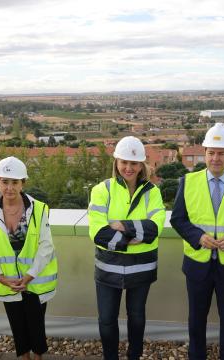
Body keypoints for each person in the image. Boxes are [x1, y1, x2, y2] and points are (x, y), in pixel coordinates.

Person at [170, 123, 224, 360]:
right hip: (197, 265)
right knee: (196, 320)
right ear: (205, 154)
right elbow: (178, 219)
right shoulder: (187, 183)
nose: (215, 158)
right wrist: (198, 237)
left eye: (221, 153)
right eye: (211, 152)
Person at [88, 136, 166, 360]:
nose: (128, 168)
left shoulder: (153, 192)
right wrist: (131, 238)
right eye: (124, 162)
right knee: (106, 319)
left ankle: (134, 356)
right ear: (116, 162)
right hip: (108, 268)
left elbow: (155, 228)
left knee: (137, 317)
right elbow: (97, 232)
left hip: (141, 268)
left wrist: (122, 226)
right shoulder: (102, 190)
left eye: (134, 163)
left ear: (141, 165)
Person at [0, 156, 58, 360]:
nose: (9, 188)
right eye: (4, 182)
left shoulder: (39, 209)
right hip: (8, 281)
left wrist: (30, 276)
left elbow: (46, 246)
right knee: (17, 325)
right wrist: (0, 276)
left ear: (23, 183)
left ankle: (38, 357)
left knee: (36, 325)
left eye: (15, 182)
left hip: (35, 281)